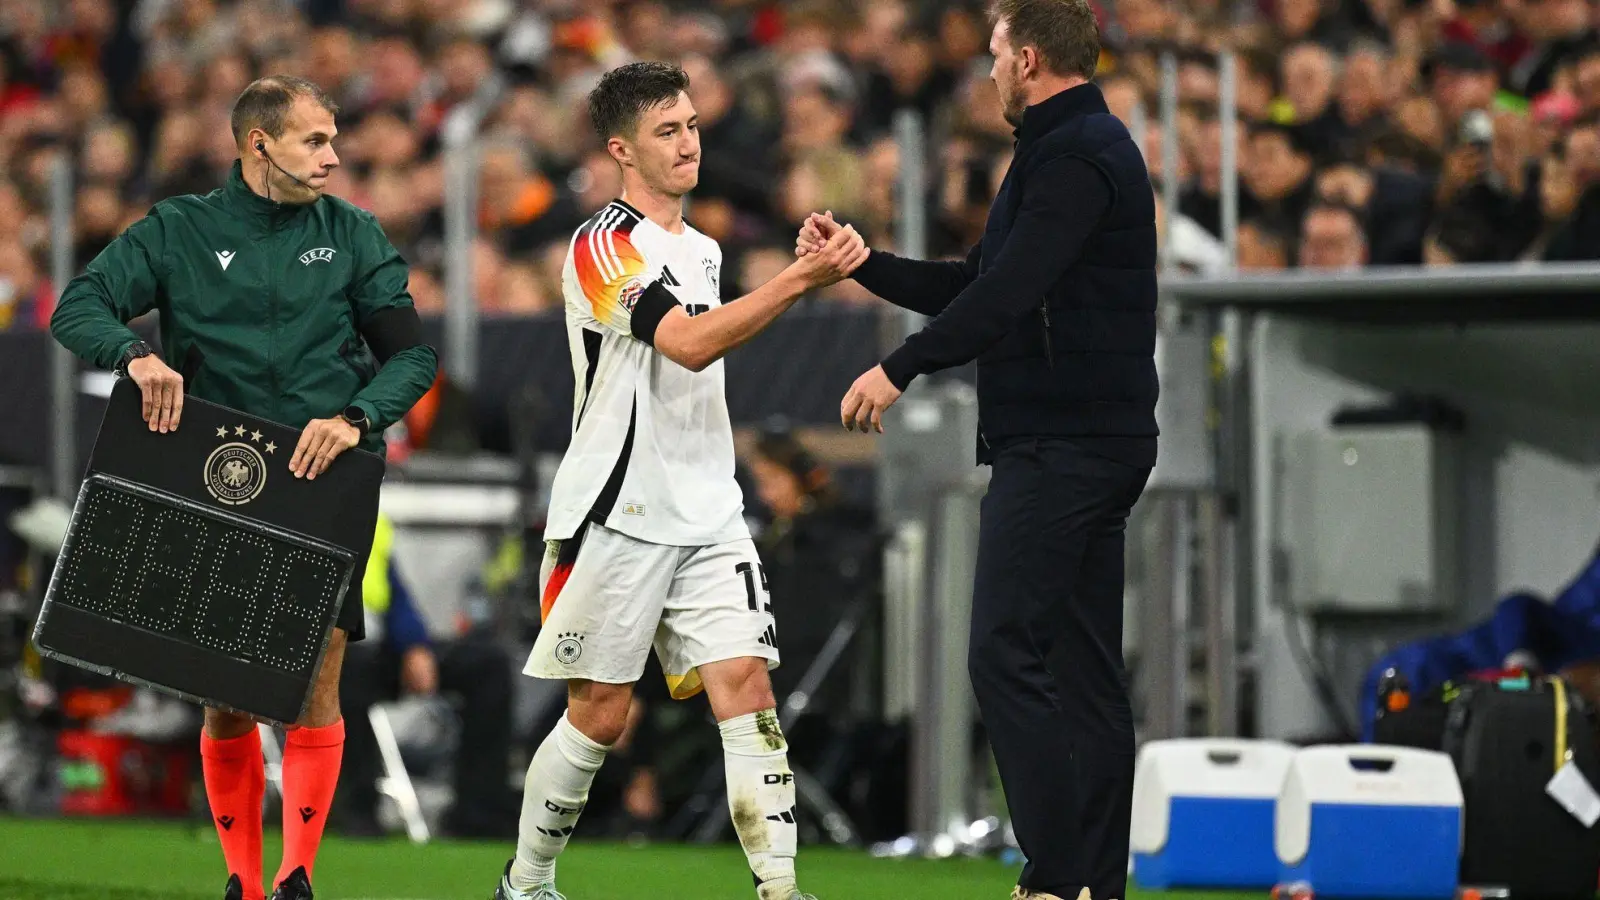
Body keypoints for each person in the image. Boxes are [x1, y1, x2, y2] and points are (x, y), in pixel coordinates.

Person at [797, 1, 1159, 897]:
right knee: (1082, 675)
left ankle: (1057, 875)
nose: (988, 74)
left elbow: (1007, 295)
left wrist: (900, 366)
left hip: (1065, 444)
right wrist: (864, 262)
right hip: (1085, 439)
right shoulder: (1068, 148)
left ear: (1029, 59)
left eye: (995, 57)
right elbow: (982, 283)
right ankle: (1092, 883)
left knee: (1003, 650)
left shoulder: (1073, 156)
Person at [50, 76, 437, 900]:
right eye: (315, 141)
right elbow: (78, 304)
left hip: (321, 476)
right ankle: (243, 884)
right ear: (258, 144)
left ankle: (298, 876)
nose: (334, 156)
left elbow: (412, 356)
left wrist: (359, 417)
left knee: (317, 681)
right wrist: (136, 355)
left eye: (335, 139)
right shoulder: (181, 230)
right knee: (223, 691)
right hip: (214, 474)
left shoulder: (355, 235)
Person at [492, 61, 866, 900]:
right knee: (601, 714)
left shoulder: (704, 248)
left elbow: (710, 342)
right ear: (622, 150)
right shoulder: (600, 245)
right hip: (619, 510)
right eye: (669, 131)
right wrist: (799, 281)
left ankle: (779, 886)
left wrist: (788, 281)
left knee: (748, 685)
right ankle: (526, 882)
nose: (690, 142)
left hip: (709, 508)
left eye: (693, 124)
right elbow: (688, 343)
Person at [335, 514, 516, 839]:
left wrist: (414, 646)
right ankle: (356, 810)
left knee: (489, 665)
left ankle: (479, 815)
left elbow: (395, 593)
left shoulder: (370, 515)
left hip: (377, 647)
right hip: (327, 654)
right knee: (351, 673)